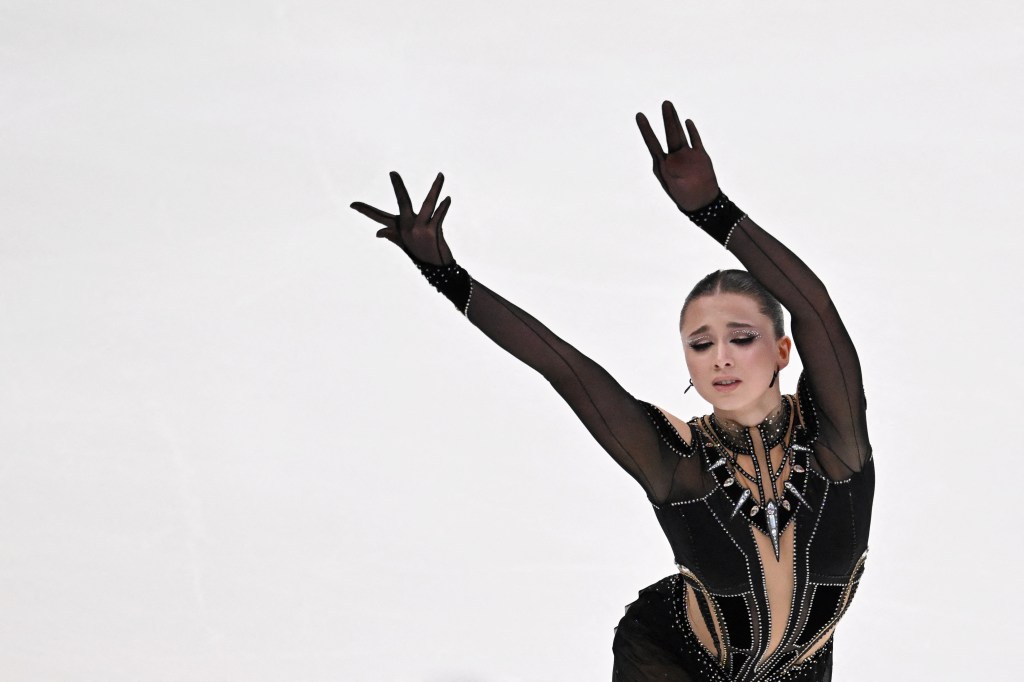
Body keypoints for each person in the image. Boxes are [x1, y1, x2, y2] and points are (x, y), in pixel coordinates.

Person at [350, 101, 874, 682]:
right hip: (673, 659)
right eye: (700, 344)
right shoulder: (679, 462)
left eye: (741, 337)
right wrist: (446, 275)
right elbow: (567, 370)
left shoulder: (835, 445)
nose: (719, 356)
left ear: (782, 350)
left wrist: (713, 212)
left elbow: (816, 308)